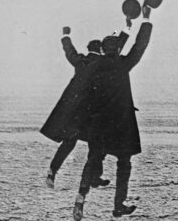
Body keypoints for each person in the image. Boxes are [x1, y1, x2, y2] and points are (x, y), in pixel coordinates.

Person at [72, 4, 154, 221]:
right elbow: (140, 45)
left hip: (98, 124)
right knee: (124, 163)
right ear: (117, 50)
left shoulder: (94, 66)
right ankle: (118, 205)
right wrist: (145, 21)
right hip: (120, 125)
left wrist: (127, 27)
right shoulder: (123, 64)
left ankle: (81, 196)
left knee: (93, 159)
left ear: (102, 50)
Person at [40, 27, 128, 188]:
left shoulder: (80, 61)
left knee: (69, 143)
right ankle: (94, 176)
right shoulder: (102, 63)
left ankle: (53, 171)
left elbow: (69, 51)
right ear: (101, 49)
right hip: (92, 113)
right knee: (98, 145)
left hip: (76, 113)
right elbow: (117, 46)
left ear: (88, 49)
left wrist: (65, 35)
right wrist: (126, 29)